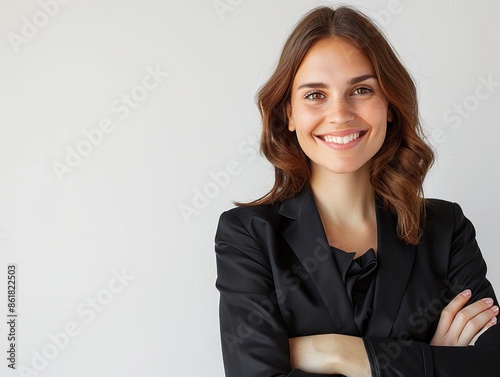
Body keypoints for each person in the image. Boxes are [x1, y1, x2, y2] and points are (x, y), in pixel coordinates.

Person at [214, 5, 500, 377]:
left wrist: (336, 352)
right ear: (289, 113)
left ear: (390, 106)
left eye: (361, 90)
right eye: (315, 95)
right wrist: (429, 362)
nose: (340, 114)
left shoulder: (447, 229)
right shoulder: (248, 235)